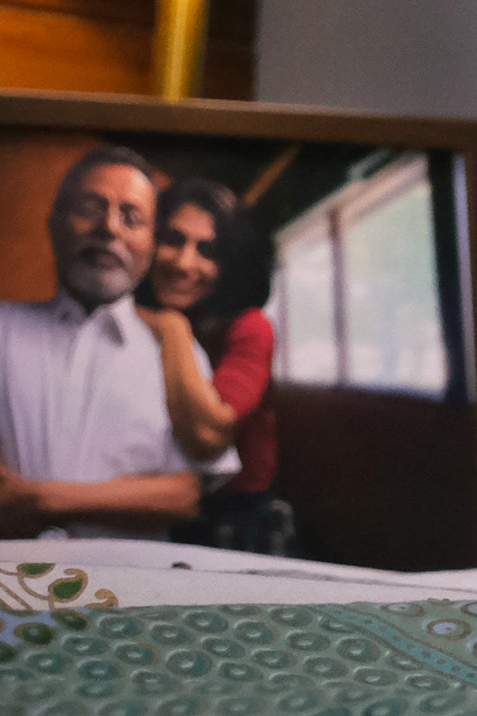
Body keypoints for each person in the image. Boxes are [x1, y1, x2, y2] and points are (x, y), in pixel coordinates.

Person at [0, 144, 235, 538]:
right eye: (90, 208)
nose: (109, 228)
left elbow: (188, 494)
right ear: (54, 224)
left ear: (150, 242)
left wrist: (40, 498)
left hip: (128, 576)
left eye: (132, 218)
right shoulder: (4, 327)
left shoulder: (174, 351)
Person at [139, 175, 292, 555]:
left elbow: (210, 433)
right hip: (153, 504)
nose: (184, 262)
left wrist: (171, 328)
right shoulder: (131, 318)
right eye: (172, 240)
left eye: (207, 250)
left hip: (239, 515)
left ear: (229, 264)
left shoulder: (251, 326)